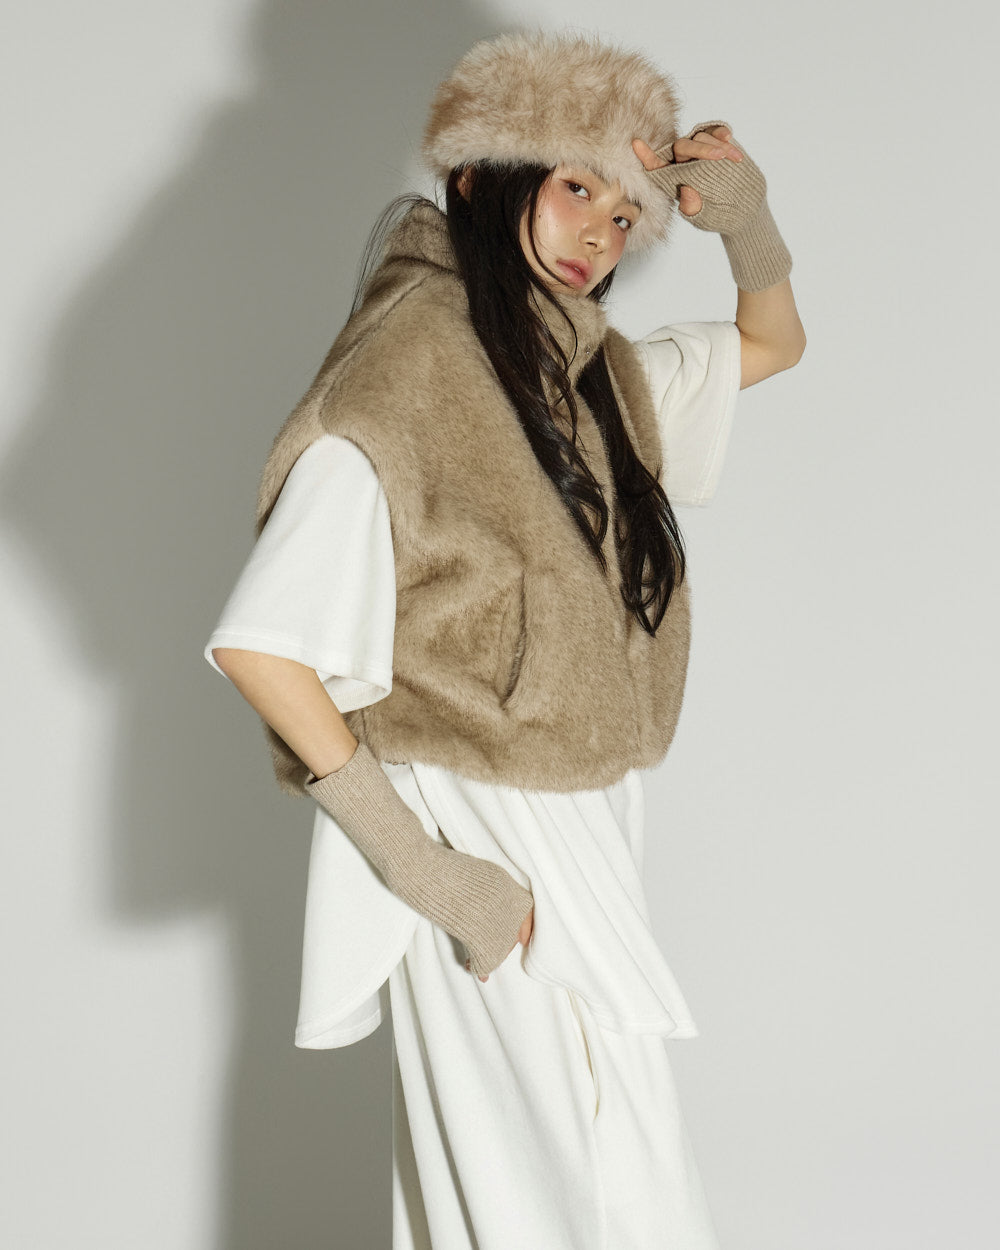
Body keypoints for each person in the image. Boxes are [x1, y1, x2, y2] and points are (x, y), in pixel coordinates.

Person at [204, 29, 805, 1250]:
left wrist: (744, 219)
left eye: (627, 215)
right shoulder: (409, 367)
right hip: (476, 829)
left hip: (582, 826)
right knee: (548, 1188)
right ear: (482, 178)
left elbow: (770, 343)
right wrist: (428, 873)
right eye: (577, 186)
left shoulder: (587, 377)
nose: (601, 233)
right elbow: (264, 645)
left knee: (591, 1180)